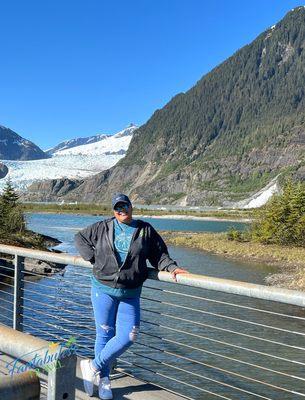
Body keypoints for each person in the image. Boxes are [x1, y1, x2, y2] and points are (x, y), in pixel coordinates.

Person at [74, 193, 189, 399]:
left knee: (129, 336)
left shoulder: (145, 230)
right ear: (113, 210)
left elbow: (159, 255)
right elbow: (80, 238)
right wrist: (92, 258)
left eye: (124, 206)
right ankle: (104, 378)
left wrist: (172, 267)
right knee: (105, 333)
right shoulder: (102, 227)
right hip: (102, 288)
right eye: (117, 208)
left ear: (131, 207)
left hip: (130, 292)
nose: (121, 211)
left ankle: (92, 366)